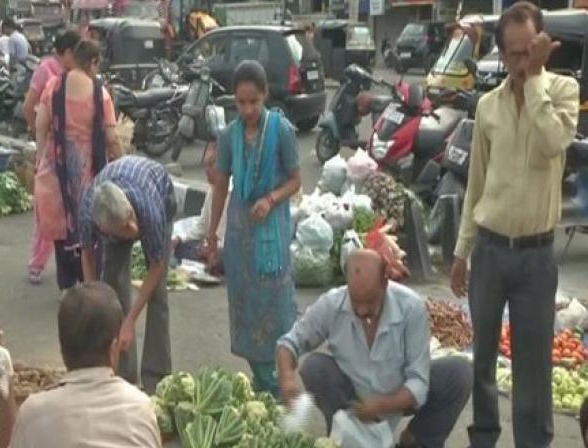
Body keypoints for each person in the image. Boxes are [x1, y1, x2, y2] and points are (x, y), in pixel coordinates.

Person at [449, 3, 580, 447]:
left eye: (530, 52)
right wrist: (461, 252)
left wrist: (537, 81)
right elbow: (476, 186)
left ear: (543, 44)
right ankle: (483, 438)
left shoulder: (562, 90)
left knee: (533, 366)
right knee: (482, 358)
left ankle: (533, 442)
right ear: (502, 55)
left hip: (536, 256)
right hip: (489, 250)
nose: (522, 64)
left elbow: (552, 143)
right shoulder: (488, 106)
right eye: (514, 55)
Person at [277, 249, 472, 447]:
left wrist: (381, 405)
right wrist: (286, 380)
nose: (362, 310)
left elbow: (419, 382)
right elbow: (289, 343)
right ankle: (344, 436)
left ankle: (416, 440)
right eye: (355, 302)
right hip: (352, 400)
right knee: (314, 368)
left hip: (398, 395)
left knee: (459, 373)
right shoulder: (332, 304)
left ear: (385, 283)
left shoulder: (411, 308)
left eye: (370, 302)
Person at [205, 60, 301, 396]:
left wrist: (272, 199)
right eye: (241, 102)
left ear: (265, 95)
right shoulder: (229, 136)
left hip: (270, 235)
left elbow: (296, 181)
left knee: (275, 313)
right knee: (245, 313)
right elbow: (220, 186)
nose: (248, 109)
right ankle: (263, 383)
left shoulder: (282, 131)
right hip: (238, 237)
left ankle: (279, 381)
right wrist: (210, 236)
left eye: (254, 102)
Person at [0, 282, 161, 448]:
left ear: (62, 348)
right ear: (113, 350)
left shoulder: (34, 415)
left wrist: (4, 379)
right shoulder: (142, 409)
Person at [79, 156, 175, 393]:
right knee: (112, 292)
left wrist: (130, 320)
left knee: (158, 295)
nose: (132, 229)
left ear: (130, 208)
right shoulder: (88, 215)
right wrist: (95, 299)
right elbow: (87, 255)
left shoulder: (148, 208)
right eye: (124, 228)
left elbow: (156, 266)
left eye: (130, 219)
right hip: (114, 213)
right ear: (104, 229)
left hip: (160, 189)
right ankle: (124, 377)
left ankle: (156, 379)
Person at [30, 39, 121, 286]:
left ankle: (67, 289)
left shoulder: (54, 87)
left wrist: (41, 158)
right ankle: (91, 287)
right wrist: (122, 161)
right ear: (92, 62)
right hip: (88, 175)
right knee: (90, 234)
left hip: (55, 175)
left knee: (63, 236)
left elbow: (41, 126)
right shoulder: (99, 93)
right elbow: (111, 138)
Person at [171, 144, 229, 268]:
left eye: (211, 165)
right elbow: (202, 227)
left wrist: (215, 249)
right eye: (206, 166)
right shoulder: (212, 191)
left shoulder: (232, 193)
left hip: (230, 250)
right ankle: (208, 261)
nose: (207, 170)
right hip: (211, 246)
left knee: (223, 257)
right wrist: (180, 238)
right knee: (182, 248)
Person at [22, 28, 79, 132]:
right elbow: (28, 107)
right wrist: (40, 135)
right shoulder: (45, 69)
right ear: (68, 52)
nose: (80, 58)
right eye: (78, 54)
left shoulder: (75, 71)